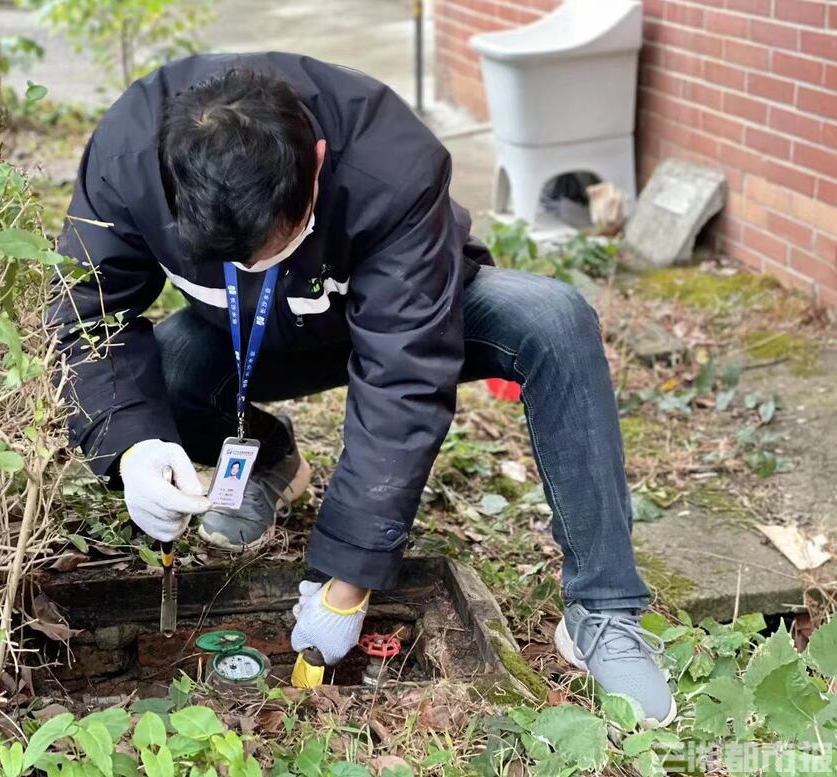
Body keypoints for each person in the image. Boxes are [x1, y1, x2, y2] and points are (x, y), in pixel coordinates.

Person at [48, 52, 674, 726]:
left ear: (316, 162)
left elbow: (404, 379)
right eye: (235, 259)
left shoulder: (391, 160)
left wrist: (345, 581)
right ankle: (269, 459)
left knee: (554, 319)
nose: (254, 267)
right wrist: (135, 445)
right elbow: (88, 312)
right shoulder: (128, 157)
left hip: (409, 313)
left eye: (271, 247)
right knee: (160, 376)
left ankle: (603, 609)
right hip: (250, 338)